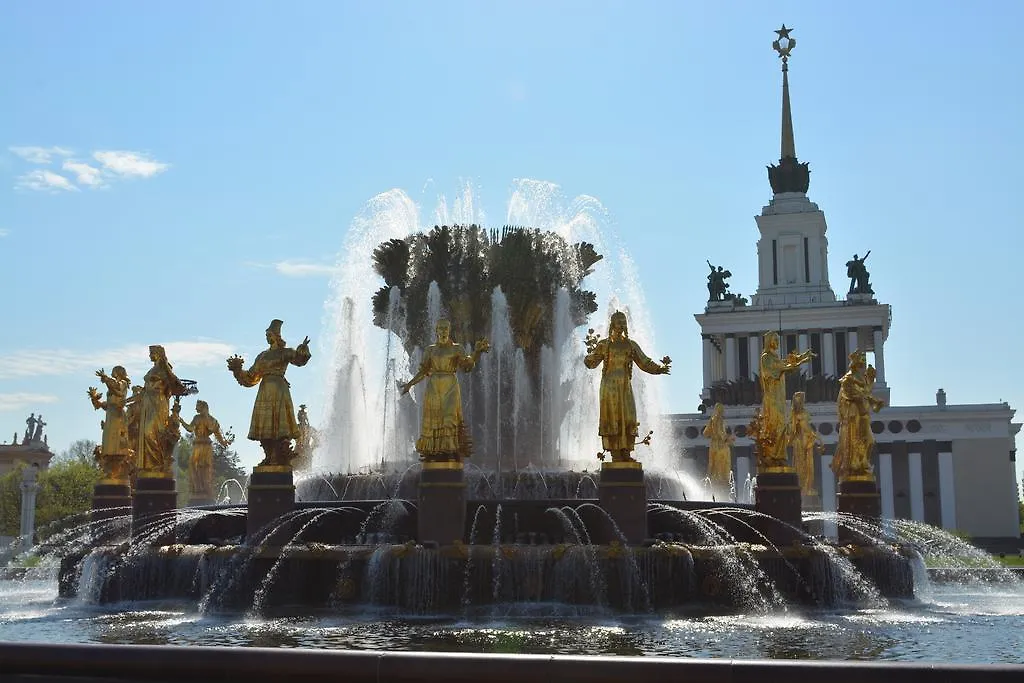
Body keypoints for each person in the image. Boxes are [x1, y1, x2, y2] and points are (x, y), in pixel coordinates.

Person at [584, 311, 670, 463]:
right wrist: (589, 357)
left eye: (623, 321)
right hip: (609, 387)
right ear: (612, 324)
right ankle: (615, 453)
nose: (621, 325)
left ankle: (626, 451)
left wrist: (658, 369)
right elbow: (593, 362)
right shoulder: (604, 344)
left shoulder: (630, 345)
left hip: (624, 386)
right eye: (618, 321)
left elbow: (644, 361)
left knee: (628, 417)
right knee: (613, 417)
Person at [401, 319, 489, 462]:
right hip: (434, 387)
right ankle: (435, 453)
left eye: (446, 328)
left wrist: (477, 352)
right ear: (436, 331)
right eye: (440, 328)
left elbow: (466, 367)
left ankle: (450, 451)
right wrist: (410, 384)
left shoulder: (457, 348)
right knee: (434, 420)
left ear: (449, 330)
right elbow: (424, 372)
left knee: (449, 418)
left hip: (450, 385)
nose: (443, 331)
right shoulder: (430, 350)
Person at [228, 319, 311, 468]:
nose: (267, 337)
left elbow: (299, 360)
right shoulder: (262, 356)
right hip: (264, 391)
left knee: (280, 426)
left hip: (279, 390)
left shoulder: (285, 352)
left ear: (277, 336)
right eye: (266, 334)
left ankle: (279, 456)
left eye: (269, 334)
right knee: (265, 425)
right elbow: (251, 377)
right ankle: (268, 456)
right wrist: (237, 371)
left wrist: (302, 349)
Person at [756, 331, 813, 466]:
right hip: (772, 398)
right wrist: (797, 362)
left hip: (779, 398)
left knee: (781, 424)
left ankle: (779, 455)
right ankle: (771, 454)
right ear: (769, 341)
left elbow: (785, 364)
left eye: (778, 340)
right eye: (775, 340)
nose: (777, 342)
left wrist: (802, 358)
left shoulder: (774, 358)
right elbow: (775, 371)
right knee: (775, 423)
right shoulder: (766, 358)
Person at [831, 350, 885, 480]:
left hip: (863, 414)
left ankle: (863, 463)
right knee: (855, 439)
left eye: (864, 364)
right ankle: (854, 464)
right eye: (862, 364)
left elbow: (865, 394)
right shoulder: (848, 379)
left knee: (869, 440)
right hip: (853, 415)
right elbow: (854, 395)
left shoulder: (862, 380)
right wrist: (869, 396)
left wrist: (871, 383)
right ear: (856, 364)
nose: (863, 367)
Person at [137, 346, 188, 475]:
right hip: (148, 404)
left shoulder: (165, 369)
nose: (150, 356)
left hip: (159, 403)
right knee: (145, 433)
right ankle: (150, 465)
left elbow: (176, 385)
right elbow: (143, 391)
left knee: (153, 432)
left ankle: (159, 464)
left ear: (159, 354)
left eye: (152, 353)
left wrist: (165, 366)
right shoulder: (152, 370)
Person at [179, 400, 232, 501]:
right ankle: (204, 489)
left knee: (196, 466)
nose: (195, 409)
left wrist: (181, 421)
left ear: (203, 407)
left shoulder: (198, 418)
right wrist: (224, 443)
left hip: (199, 445)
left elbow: (190, 429)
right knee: (204, 467)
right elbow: (218, 435)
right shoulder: (212, 420)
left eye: (197, 406)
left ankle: (199, 489)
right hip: (206, 445)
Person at [89, 366, 130, 457]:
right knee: (109, 443)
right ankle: (109, 461)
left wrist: (106, 379)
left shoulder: (123, 383)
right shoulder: (111, 386)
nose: (112, 372)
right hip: (110, 415)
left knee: (116, 442)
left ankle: (117, 462)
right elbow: (102, 405)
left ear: (118, 372)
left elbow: (116, 387)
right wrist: (94, 398)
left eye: (113, 370)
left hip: (117, 415)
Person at [787, 391, 822, 496]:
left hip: (807, 441)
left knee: (809, 465)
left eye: (802, 400)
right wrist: (789, 440)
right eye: (800, 400)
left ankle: (808, 487)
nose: (801, 402)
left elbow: (808, 428)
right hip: (799, 442)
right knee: (800, 464)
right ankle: (801, 486)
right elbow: (792, 430)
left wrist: (817, 438)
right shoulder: (793, 414)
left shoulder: (805, 413)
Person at [703, 403, 735, 487]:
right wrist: (728, 439)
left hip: (713, 445)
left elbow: (705, 433)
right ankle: (722, 482)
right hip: (721, 446)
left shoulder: (712, 419)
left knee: (713, 464)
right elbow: (721, 433)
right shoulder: (720, 419)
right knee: (723, 465)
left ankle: (712, 480)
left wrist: (713, 435)